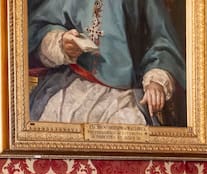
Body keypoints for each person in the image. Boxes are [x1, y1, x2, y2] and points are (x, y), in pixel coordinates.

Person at [27, 0, 186, 126]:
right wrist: (61, 42)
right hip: (69, 82)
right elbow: (37, 27)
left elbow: (162, 39)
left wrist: (156, 80)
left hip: (124, 92)